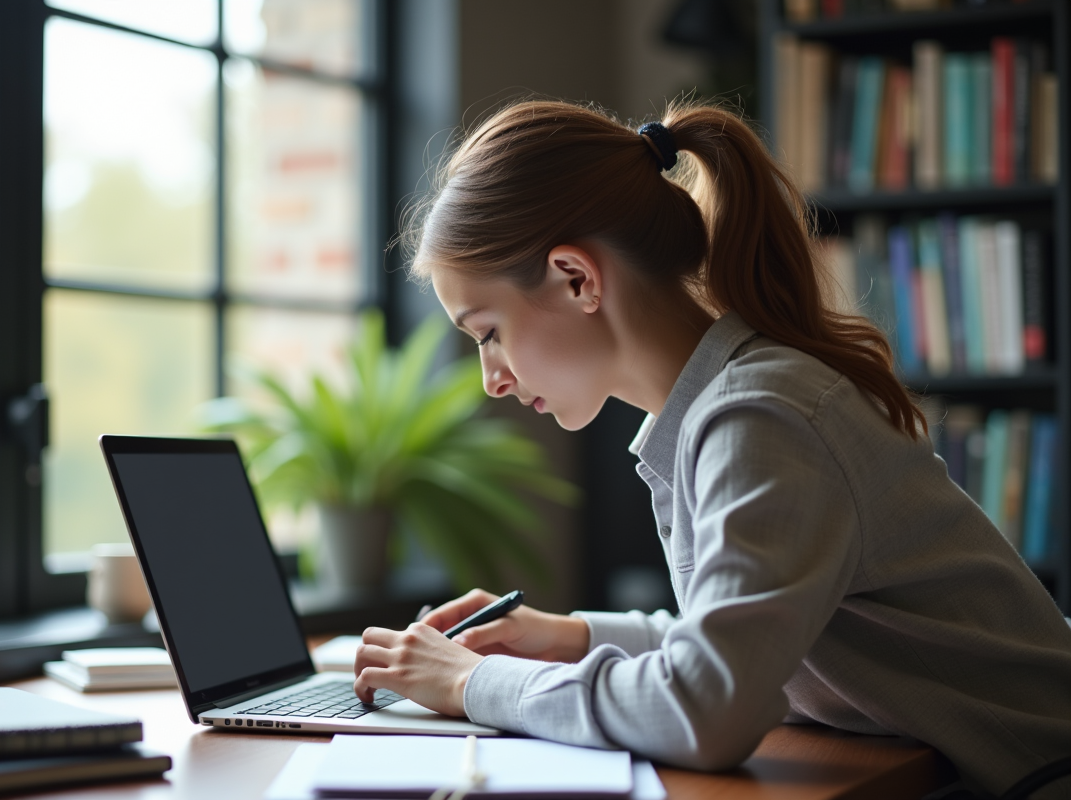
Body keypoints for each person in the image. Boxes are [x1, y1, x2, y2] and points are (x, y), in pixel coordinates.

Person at [351, 99, 1071, 798]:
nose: (492, 380)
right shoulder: (724, 407)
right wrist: (566, 636)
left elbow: (705, 709)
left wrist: (470, 683)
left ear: (578, 278)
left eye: (487, 333)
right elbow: (747, 641)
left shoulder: (760, 415)